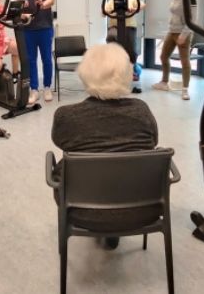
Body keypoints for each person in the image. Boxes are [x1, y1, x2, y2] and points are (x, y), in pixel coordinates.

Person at [52, 43, 159, 249]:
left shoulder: (66, 116)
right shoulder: (142, 111)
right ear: (127, 74)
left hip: (81, 210)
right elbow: (152, 142)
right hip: (143, 208)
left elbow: (60, 141)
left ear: (84, 73)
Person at [15, 0, 56, 104]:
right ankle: (34, 89)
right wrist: (21, 12)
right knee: (30, 60)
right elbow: (16, 6)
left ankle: (47, 87)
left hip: (44, 27)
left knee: (46, 59)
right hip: (28, 29)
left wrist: (42, 4)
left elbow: (51, 0)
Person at [152, 0, 196, 100]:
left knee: (185, 61)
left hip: (183, 33)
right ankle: (164, 82)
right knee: (163, 56)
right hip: (172, 31)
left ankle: (185, 90)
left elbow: (193, 18)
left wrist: (184, 34)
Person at [104, 0, 147, 93]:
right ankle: (114, 70)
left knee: (131, 50)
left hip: (129, 26)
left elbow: (142, 4)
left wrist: (135, 9)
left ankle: (133, 69)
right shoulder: (112, 1)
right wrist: (108, 11)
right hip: (115, 26)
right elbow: (104, 11)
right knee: (111, 38)